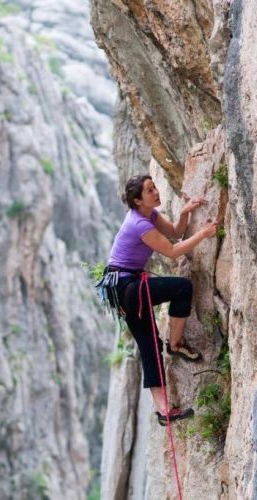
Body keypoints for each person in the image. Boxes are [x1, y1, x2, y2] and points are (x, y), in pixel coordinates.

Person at [106, 174, 217, 426]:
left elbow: (176, 233)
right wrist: (204, 233)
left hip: (123, 289)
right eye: (149, 190)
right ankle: (175, 344)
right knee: (181, 288)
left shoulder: (150, 215)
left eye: (154, 187)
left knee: (149, 346)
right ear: (137, 201)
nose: (156, 192)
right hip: (127, 288)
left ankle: (164, 411)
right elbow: (174, 251)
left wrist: (186, 213)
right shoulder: (140, 224)